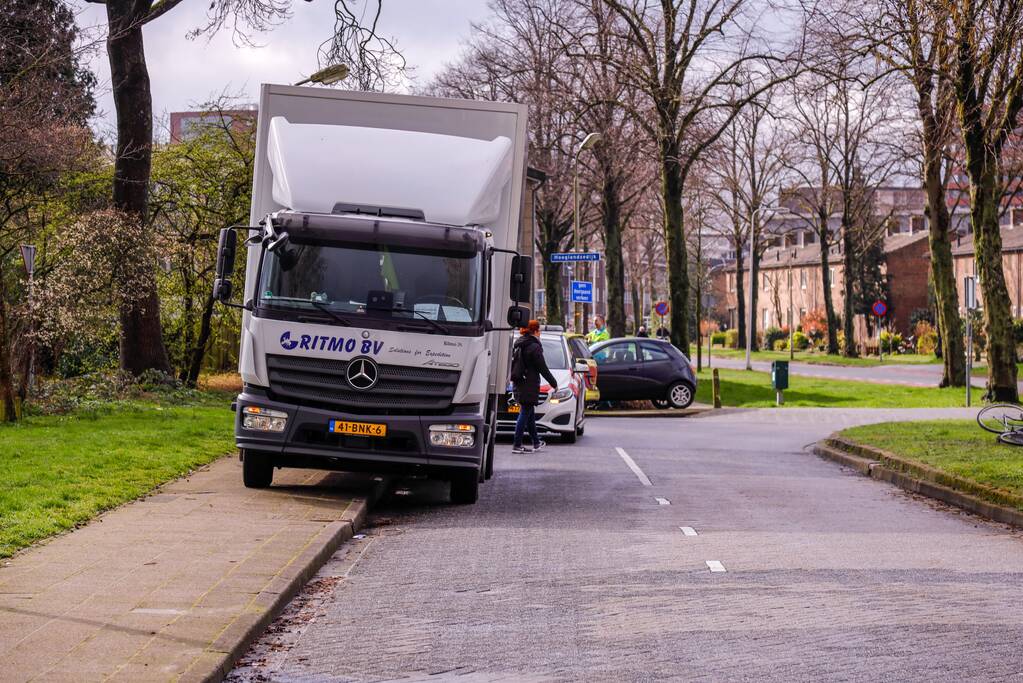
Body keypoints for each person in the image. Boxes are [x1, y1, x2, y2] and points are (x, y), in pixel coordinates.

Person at [510, 320, 558, 454]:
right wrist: (554, 383)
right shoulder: (534, 347)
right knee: (525, 413)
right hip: (529, 384)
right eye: (539, 330)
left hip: (519, 382)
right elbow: (542, 368)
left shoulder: (519, 343)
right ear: (535, 331)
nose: (540, 333)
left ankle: (536, 442)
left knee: (529, 414)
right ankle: (517, 444)